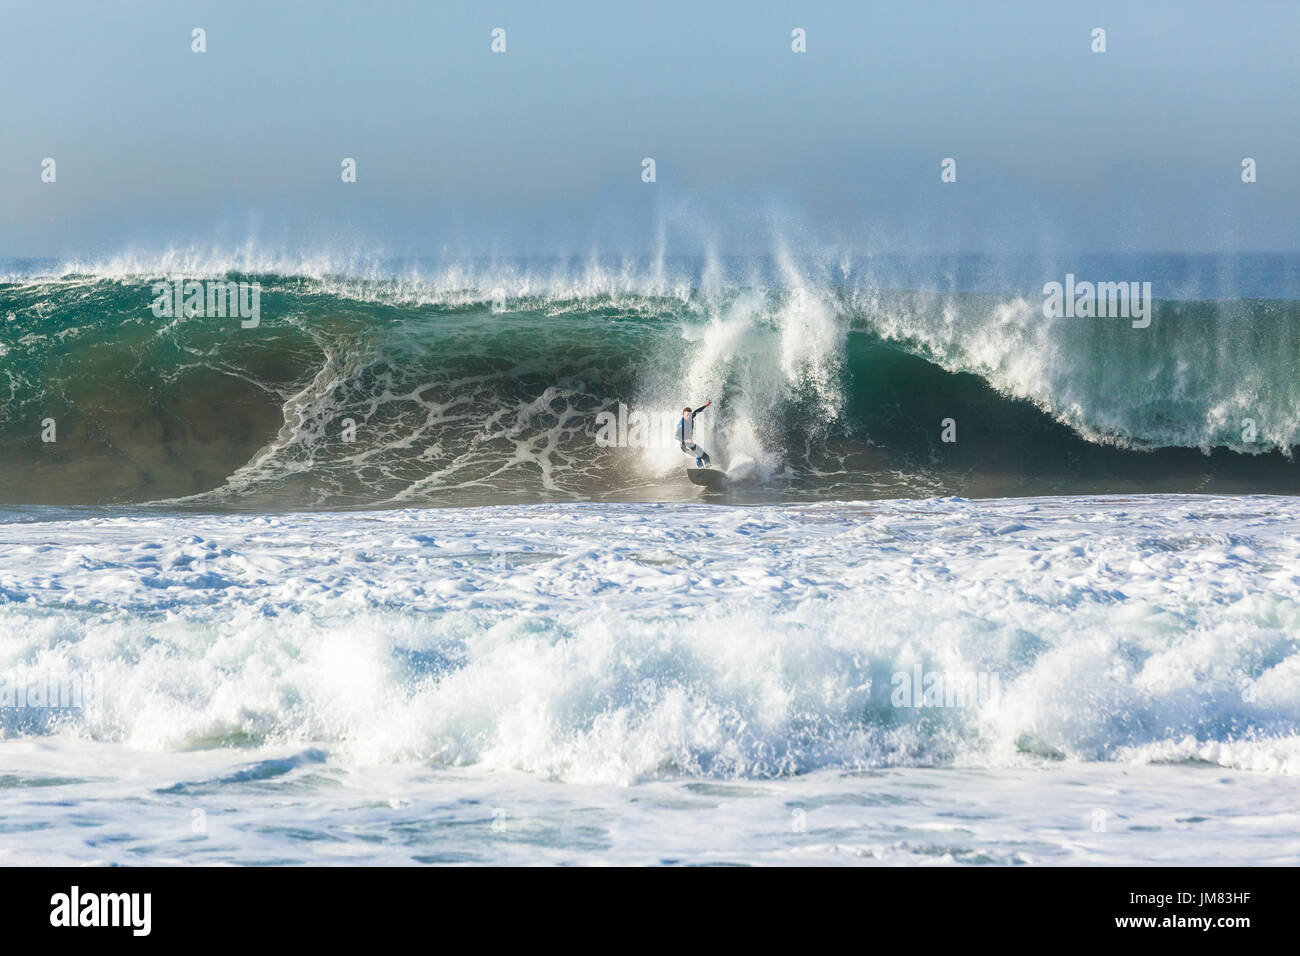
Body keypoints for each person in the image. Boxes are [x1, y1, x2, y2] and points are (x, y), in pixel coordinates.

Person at [676, 400, 712, 467]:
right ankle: (701, 468)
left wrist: (706, 405)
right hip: (685, 445)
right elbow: (676, 436)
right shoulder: (682, 424)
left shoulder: (690, 417)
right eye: (687, 415)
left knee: (706, 457)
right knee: (698, 455)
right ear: (683, 415)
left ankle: (707, 469)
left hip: (689, 443)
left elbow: (697, 411)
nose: (689, 416)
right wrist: (684, 440)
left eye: (690, 415)